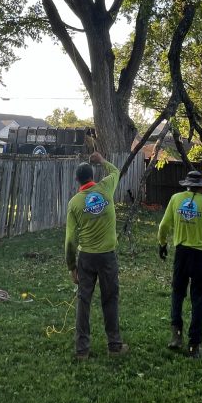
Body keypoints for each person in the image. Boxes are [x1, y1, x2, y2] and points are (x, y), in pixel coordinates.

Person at [65, 151, 129, 360]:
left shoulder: (75, 203)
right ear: (93, 176)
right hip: (107, 257)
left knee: (84, 301)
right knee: (110, 299)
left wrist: (71, 267)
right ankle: (114, 346)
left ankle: (82, 350)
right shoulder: (106, 188)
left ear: (77, 180)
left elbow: (70, 240)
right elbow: (116, 171)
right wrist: (101, 160)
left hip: (86, 258)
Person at [158, 170, 202, 359]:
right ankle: (194, 344)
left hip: (181, 254)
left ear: (186, 185)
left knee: (178, 293)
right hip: (200, 255)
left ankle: (176, 335)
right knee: (199, 298)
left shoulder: (176, 199)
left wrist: (162, 244)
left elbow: (163, 226)